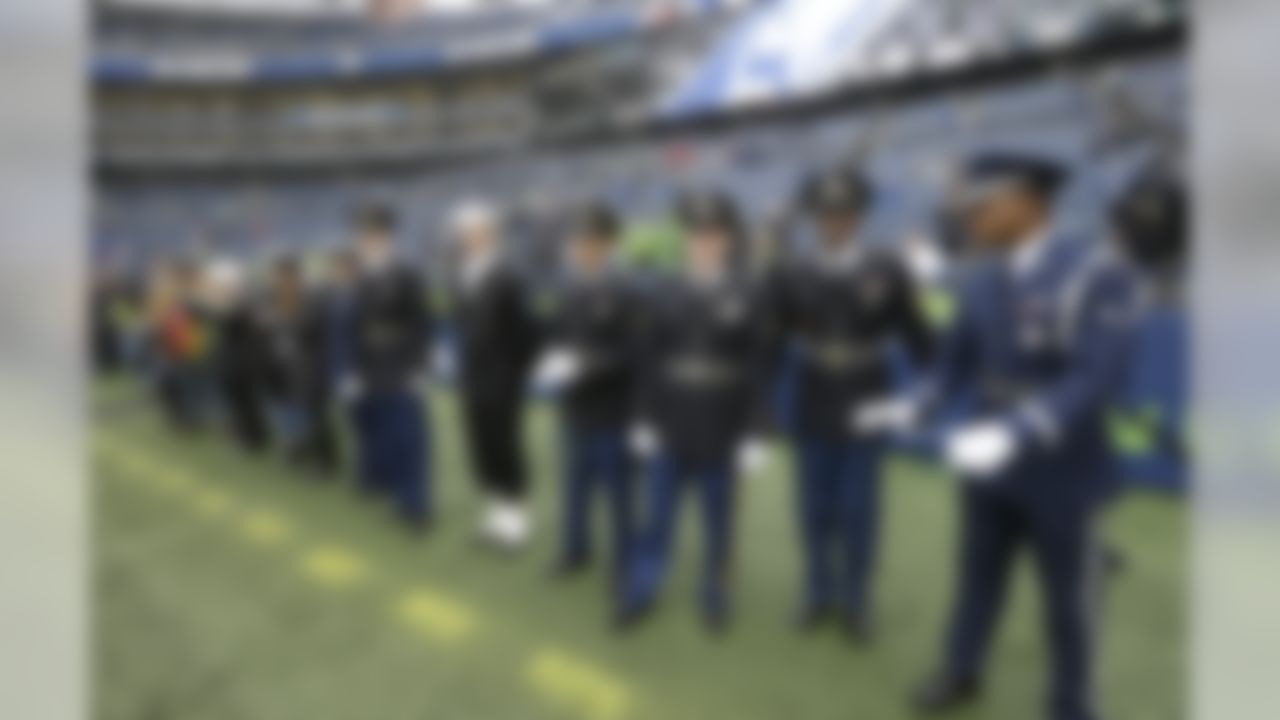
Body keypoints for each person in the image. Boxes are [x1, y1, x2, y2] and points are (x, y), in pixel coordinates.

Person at [907, 152, 1140, 720]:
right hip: (990, 465)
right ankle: (963, 672)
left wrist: (1017, 429)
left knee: (1070, 605)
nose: (971, 219)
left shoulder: (1096, 272)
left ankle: (1073, 706)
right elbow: (954, 359)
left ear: (1029, 203)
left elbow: (1095, 376)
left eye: (983, 207)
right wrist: (917, 399)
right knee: (977, 579)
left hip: (1063, 469)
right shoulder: (983, 278)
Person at [766, 165, 934, 640]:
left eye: (844, 213)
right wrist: (760, 404)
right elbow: (774, 343)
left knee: (860, 509)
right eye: (826, 214)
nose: (835, 221)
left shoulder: (888, 268)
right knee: (813, 507)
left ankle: (857, 599)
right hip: (813, 396)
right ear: (815, 219)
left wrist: (930, 391)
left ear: (859, 216)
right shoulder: (791, 270)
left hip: (867, 398)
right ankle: (817, 591)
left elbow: (918, 337)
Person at [618, 191, 772, 633]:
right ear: (687, 239)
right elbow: (647, 361)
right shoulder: (663, 289)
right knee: (657, 519)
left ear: (727, 240)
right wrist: (641, 418)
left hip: (721, 428)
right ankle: (642, 589)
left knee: (719, 524)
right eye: (697, 234)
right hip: (668, 424)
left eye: (713, 234)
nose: (704, 242)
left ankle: (716, 594)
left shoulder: (750, 292)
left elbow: (759, 366)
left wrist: (756, 430)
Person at [532, 203, 640, 586]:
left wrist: (591, 366)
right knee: (573, 486)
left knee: (619, 491)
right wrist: (551, 364)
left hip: (614, 409)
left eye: (591, 240)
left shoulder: (628, 288)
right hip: (575, 406)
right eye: (578, 239)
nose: (582, 247)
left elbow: (635, 352)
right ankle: (575, 550)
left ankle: (625, 559)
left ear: (608, 243)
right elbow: (556, 337)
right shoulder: (567, 286)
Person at [450, 200, 540, 550]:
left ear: (492, 233)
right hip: (472, 377)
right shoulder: (460, 273)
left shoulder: (509, 275)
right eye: (465, 233)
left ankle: (516, 522)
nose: (470, 238)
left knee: (506, 446)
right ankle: (496, 516)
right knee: (481, 445)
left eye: (477, 231)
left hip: (502, 379)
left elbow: (527, 331)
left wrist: (515, 373)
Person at [342, 206, 434, 532]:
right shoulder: (364, 275)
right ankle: (398, 497)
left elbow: (422, 324)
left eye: (372, 235)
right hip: (372, 368)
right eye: (363, 235)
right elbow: (357, 327)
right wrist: (354, 370)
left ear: (387, 236)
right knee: (385, 437)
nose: (366, 240)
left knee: (409, 439)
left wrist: (421, 368)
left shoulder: (406, 273)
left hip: (401, 366)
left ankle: (417, 506)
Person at [263, 256, 340, 476]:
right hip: (282, 365)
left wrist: (280, 320)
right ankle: (298, 449)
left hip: (310, 367)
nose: (277, 281)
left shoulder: (312, 298)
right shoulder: (273, 298)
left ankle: (325, 461)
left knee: (316, 416)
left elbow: (310, 325)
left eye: (282, 276)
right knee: (289, 410)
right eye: (276, 276)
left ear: (294, 276)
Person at [204, 258, 272, 453]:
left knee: (247, 404)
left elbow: (230, 320)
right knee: (238, 404)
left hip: (243, 364)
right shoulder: (233, 303)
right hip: (230, 363)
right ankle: (246, 436)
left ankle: (254, 439)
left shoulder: (243, 304)